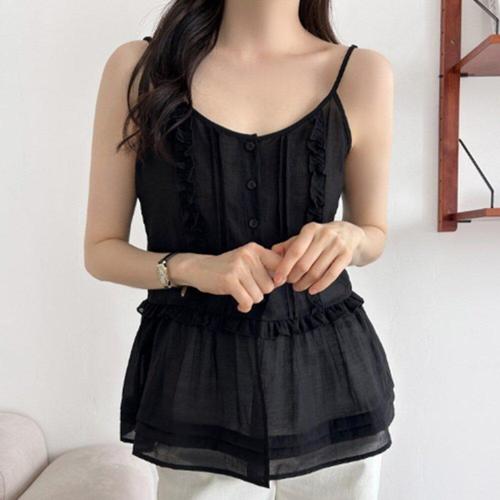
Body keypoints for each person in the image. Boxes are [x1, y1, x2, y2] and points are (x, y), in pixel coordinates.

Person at [84, 0, 395, 498]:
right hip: (196, 388)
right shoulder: (139, 69)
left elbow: (372, 231)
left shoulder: (362, 73)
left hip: (331, 383)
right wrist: (190, 267)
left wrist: (349, 238)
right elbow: (101, 250)